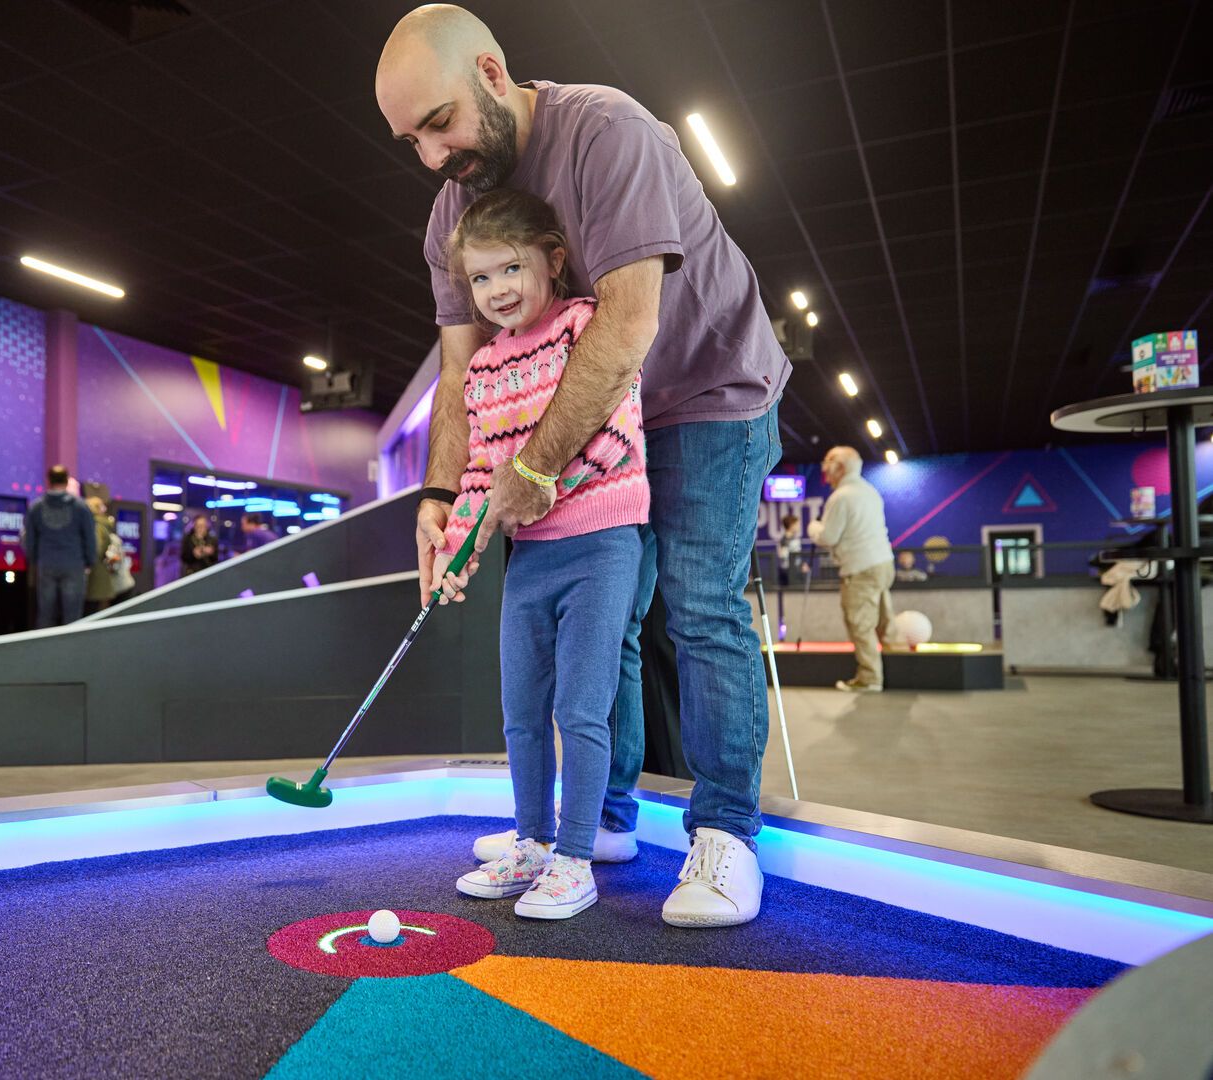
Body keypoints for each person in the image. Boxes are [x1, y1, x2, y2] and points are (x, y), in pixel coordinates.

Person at [377, 5, 789, 927]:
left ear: (490, 72)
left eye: (437, 123)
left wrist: (530, 472)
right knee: (617, 622)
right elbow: (459, 369)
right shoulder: (455, 210)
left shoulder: (608, 131)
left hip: (704, 391)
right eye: (409, 139)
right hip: (597, 414)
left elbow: (626, 326)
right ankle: (598, 820)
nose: (431, 156)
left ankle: (725, 837)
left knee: (698, 603)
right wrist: (441, 495)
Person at [432, 187, 647, 920]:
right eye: (480, 279)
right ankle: (529, 841)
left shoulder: (585, 328)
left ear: (552, 260)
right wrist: (457, 551)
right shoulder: (485, 367)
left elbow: (614, 438)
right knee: (520, 710)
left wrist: (529, 489)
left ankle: (575, 858)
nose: (495, 291)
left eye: (509, 270)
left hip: (601, 543)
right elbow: (476, 475)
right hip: (528, 559)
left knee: (579, 708)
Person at [808, 446, 895, 692]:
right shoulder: (870, 491)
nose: (825, 472)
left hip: (860, 567)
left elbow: (829, 537)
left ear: (840, 467)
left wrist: (813, 528)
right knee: (882, 618)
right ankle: (897, 666)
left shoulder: (841, 496)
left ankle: (870, 678)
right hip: (883, 562)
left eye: (828, 466)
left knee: (859, 622)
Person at [24, 465, 97, 627]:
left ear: (48, 481)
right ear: (66, 481)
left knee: (45, 615)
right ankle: (70, 652)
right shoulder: (80, 507)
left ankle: (43, 651)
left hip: (46, 564)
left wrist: (34, 560)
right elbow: (90, 538)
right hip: (74, 565)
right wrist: (90, 561)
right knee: (72, 617)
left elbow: (29, 539)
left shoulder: (36, 507)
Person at [84, 496, 116, 613]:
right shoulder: (104, 524)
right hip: (102, 576)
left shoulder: (95, 525)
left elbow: (96, 550)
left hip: (94, 578)